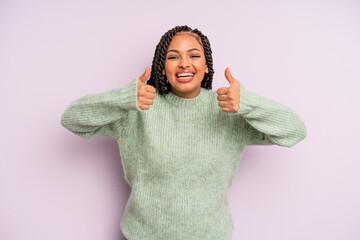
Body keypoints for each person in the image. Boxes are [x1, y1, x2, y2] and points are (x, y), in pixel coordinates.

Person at [61, 25, 306, 240]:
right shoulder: (139, 107)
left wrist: (249, 103)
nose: (184, 63)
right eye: (173, 57)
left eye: (194, 55)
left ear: (207, 66)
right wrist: (122, 99)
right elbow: (72, 119)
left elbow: (294, 131)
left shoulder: (228, 110)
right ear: (162, 66)